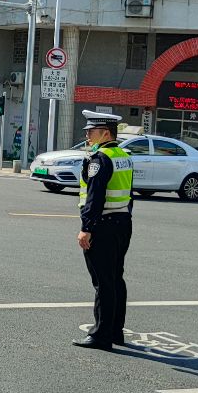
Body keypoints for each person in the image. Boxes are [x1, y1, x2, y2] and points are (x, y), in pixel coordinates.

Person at [74, 110, 133, 351]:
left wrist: (86, 228)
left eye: (92, 131)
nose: (87, 136)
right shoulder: (124, 156)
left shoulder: (100, 159)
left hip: (103, 225)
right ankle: (115, 330)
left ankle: (101, 335)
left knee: (103, 281)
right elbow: (129, 194)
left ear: (106, 133)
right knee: (115, 278)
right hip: (122, 222)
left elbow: (94, 196)